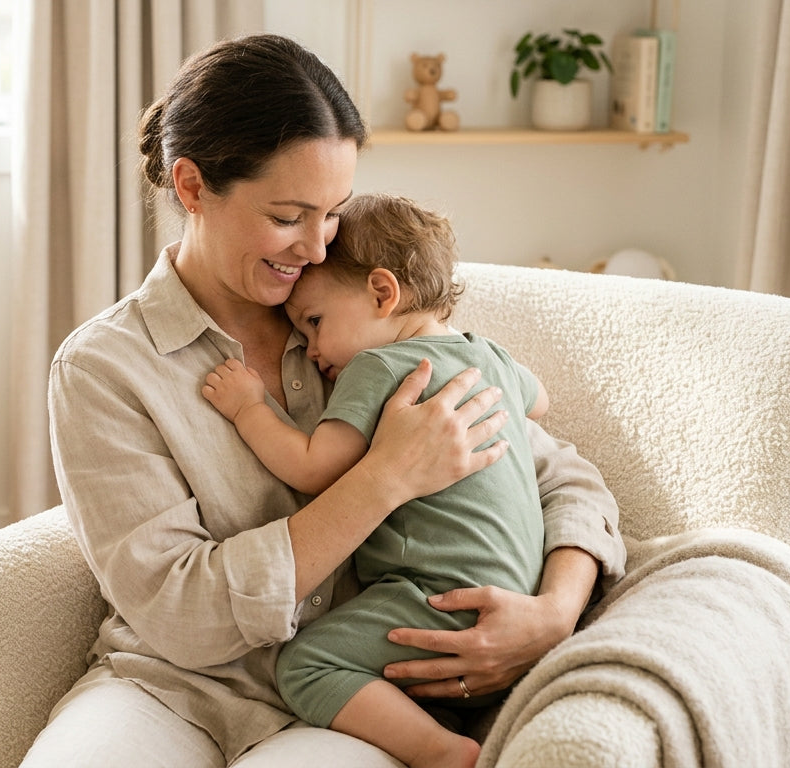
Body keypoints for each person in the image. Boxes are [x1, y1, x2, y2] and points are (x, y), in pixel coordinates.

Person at [31, 33, 625, 767]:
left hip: (368, 693)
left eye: (333, 212)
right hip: (170, 689)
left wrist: (553, 614)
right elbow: (181, 615)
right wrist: (384, 480)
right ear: (191, 188)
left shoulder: (362, 323)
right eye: (287, 216)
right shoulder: (104, 369)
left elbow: (559, 475)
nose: (316, 248)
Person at [202, 192, 548, 768]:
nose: (311, 350)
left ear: (383, 294)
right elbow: (540, 403)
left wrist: (248, 409)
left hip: (438, 600)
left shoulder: (380, 367)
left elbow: (313, 465)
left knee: (304, 665)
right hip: (512, 600)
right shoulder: (488, 357)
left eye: (314, 323)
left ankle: (441, 752)